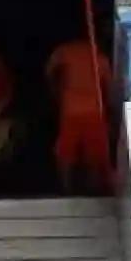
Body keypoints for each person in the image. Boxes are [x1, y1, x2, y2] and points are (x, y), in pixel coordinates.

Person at [45, 31, 113, 196]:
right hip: (94, 110)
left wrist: (56, 91)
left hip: (71, 108)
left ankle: (65, 189)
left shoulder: (64, 51)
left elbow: (48, 71)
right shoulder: (99, 56)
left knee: (66, 153)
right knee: (94, 154)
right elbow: (109, 86)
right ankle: (93, 191)